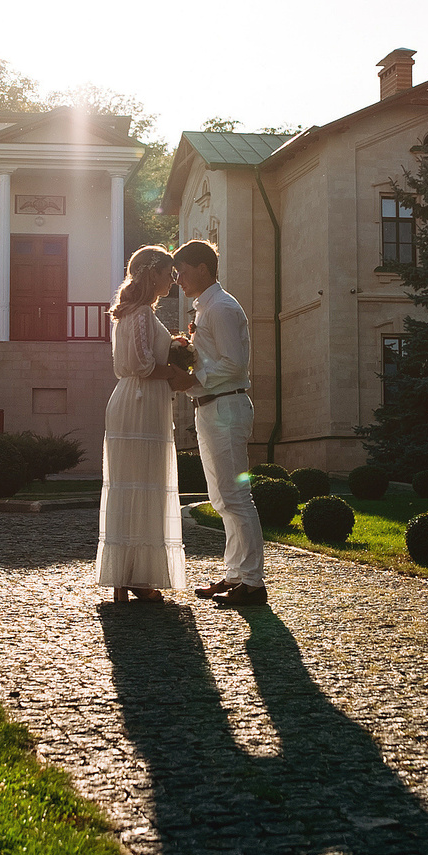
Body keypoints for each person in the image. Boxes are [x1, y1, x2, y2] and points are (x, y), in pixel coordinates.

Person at [172, 239, 267, 606]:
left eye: (181, 270)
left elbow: (234, 363)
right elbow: (215, 358)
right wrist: (190, 357)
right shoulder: (206, 307)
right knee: (221, 498)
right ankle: (234, 574)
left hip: (226, 407)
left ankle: (254, 582)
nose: (177, 278)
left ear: (203, 269)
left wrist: (192, 377)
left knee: (237, 497)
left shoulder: (223, 307)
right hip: (210, 408)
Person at [96, 244, 190, 604]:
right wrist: (179, 372)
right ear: (152, 274)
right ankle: (129, 575)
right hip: (139, 401)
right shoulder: (137, 314)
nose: (173, 280)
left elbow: (142, 356)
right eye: (169, 273)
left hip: (135, 399)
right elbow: (144, 365)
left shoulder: (134, 313)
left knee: (135, 485)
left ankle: (129, 575)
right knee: (139, 483)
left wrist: (174, 347)